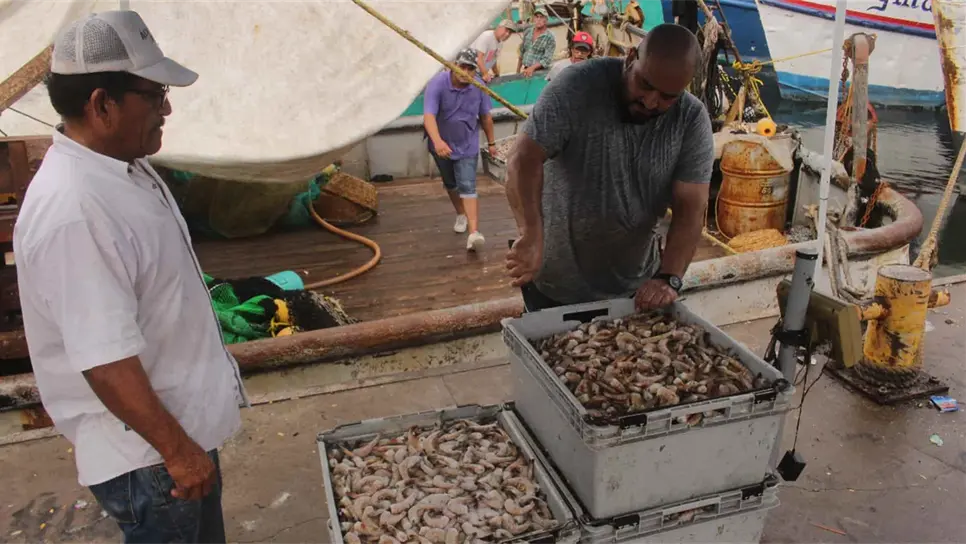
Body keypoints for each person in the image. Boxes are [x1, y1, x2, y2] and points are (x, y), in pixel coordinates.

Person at [13, 10, 246, 543]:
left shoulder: (121, 165)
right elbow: (105, 359)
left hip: (174, 438)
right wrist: (178, 453)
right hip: (152, 459)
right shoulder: (74, 210)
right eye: (155, 94)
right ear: (102, 104)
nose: (167, 109)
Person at [504, 23, 713, 312]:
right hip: (554, 282)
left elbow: (691, 207)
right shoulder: (577, 85)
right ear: (630, 58)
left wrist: (669, 277)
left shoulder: (691, 119)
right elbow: (523, 159)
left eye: (668, 97)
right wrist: (530, 233)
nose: (651, 101)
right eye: (645, 84)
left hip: (636, 288)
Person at [423, 48, 497, 251]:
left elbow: (486, 117)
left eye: (470, 68)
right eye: (461, 67)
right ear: (453, 65)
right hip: (441, 144)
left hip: (467, 143)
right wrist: (438, 141)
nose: (465, 72)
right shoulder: (437, 83)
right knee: (451, 183)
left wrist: (491, 143)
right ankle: (460, 213)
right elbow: (429, 116)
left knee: (468, 185)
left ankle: (474, 233)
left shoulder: (479, 86)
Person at [518, 7, 557, 78]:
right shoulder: (528, 31)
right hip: (525, 69)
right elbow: (522, 52)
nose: (538, 19)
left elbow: (547, 60)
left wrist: (532, 68)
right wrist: (517, 71)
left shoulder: (550, 37)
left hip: (541, 72)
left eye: (541, 17)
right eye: (537, 17)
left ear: (546, 20)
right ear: (533, 19)